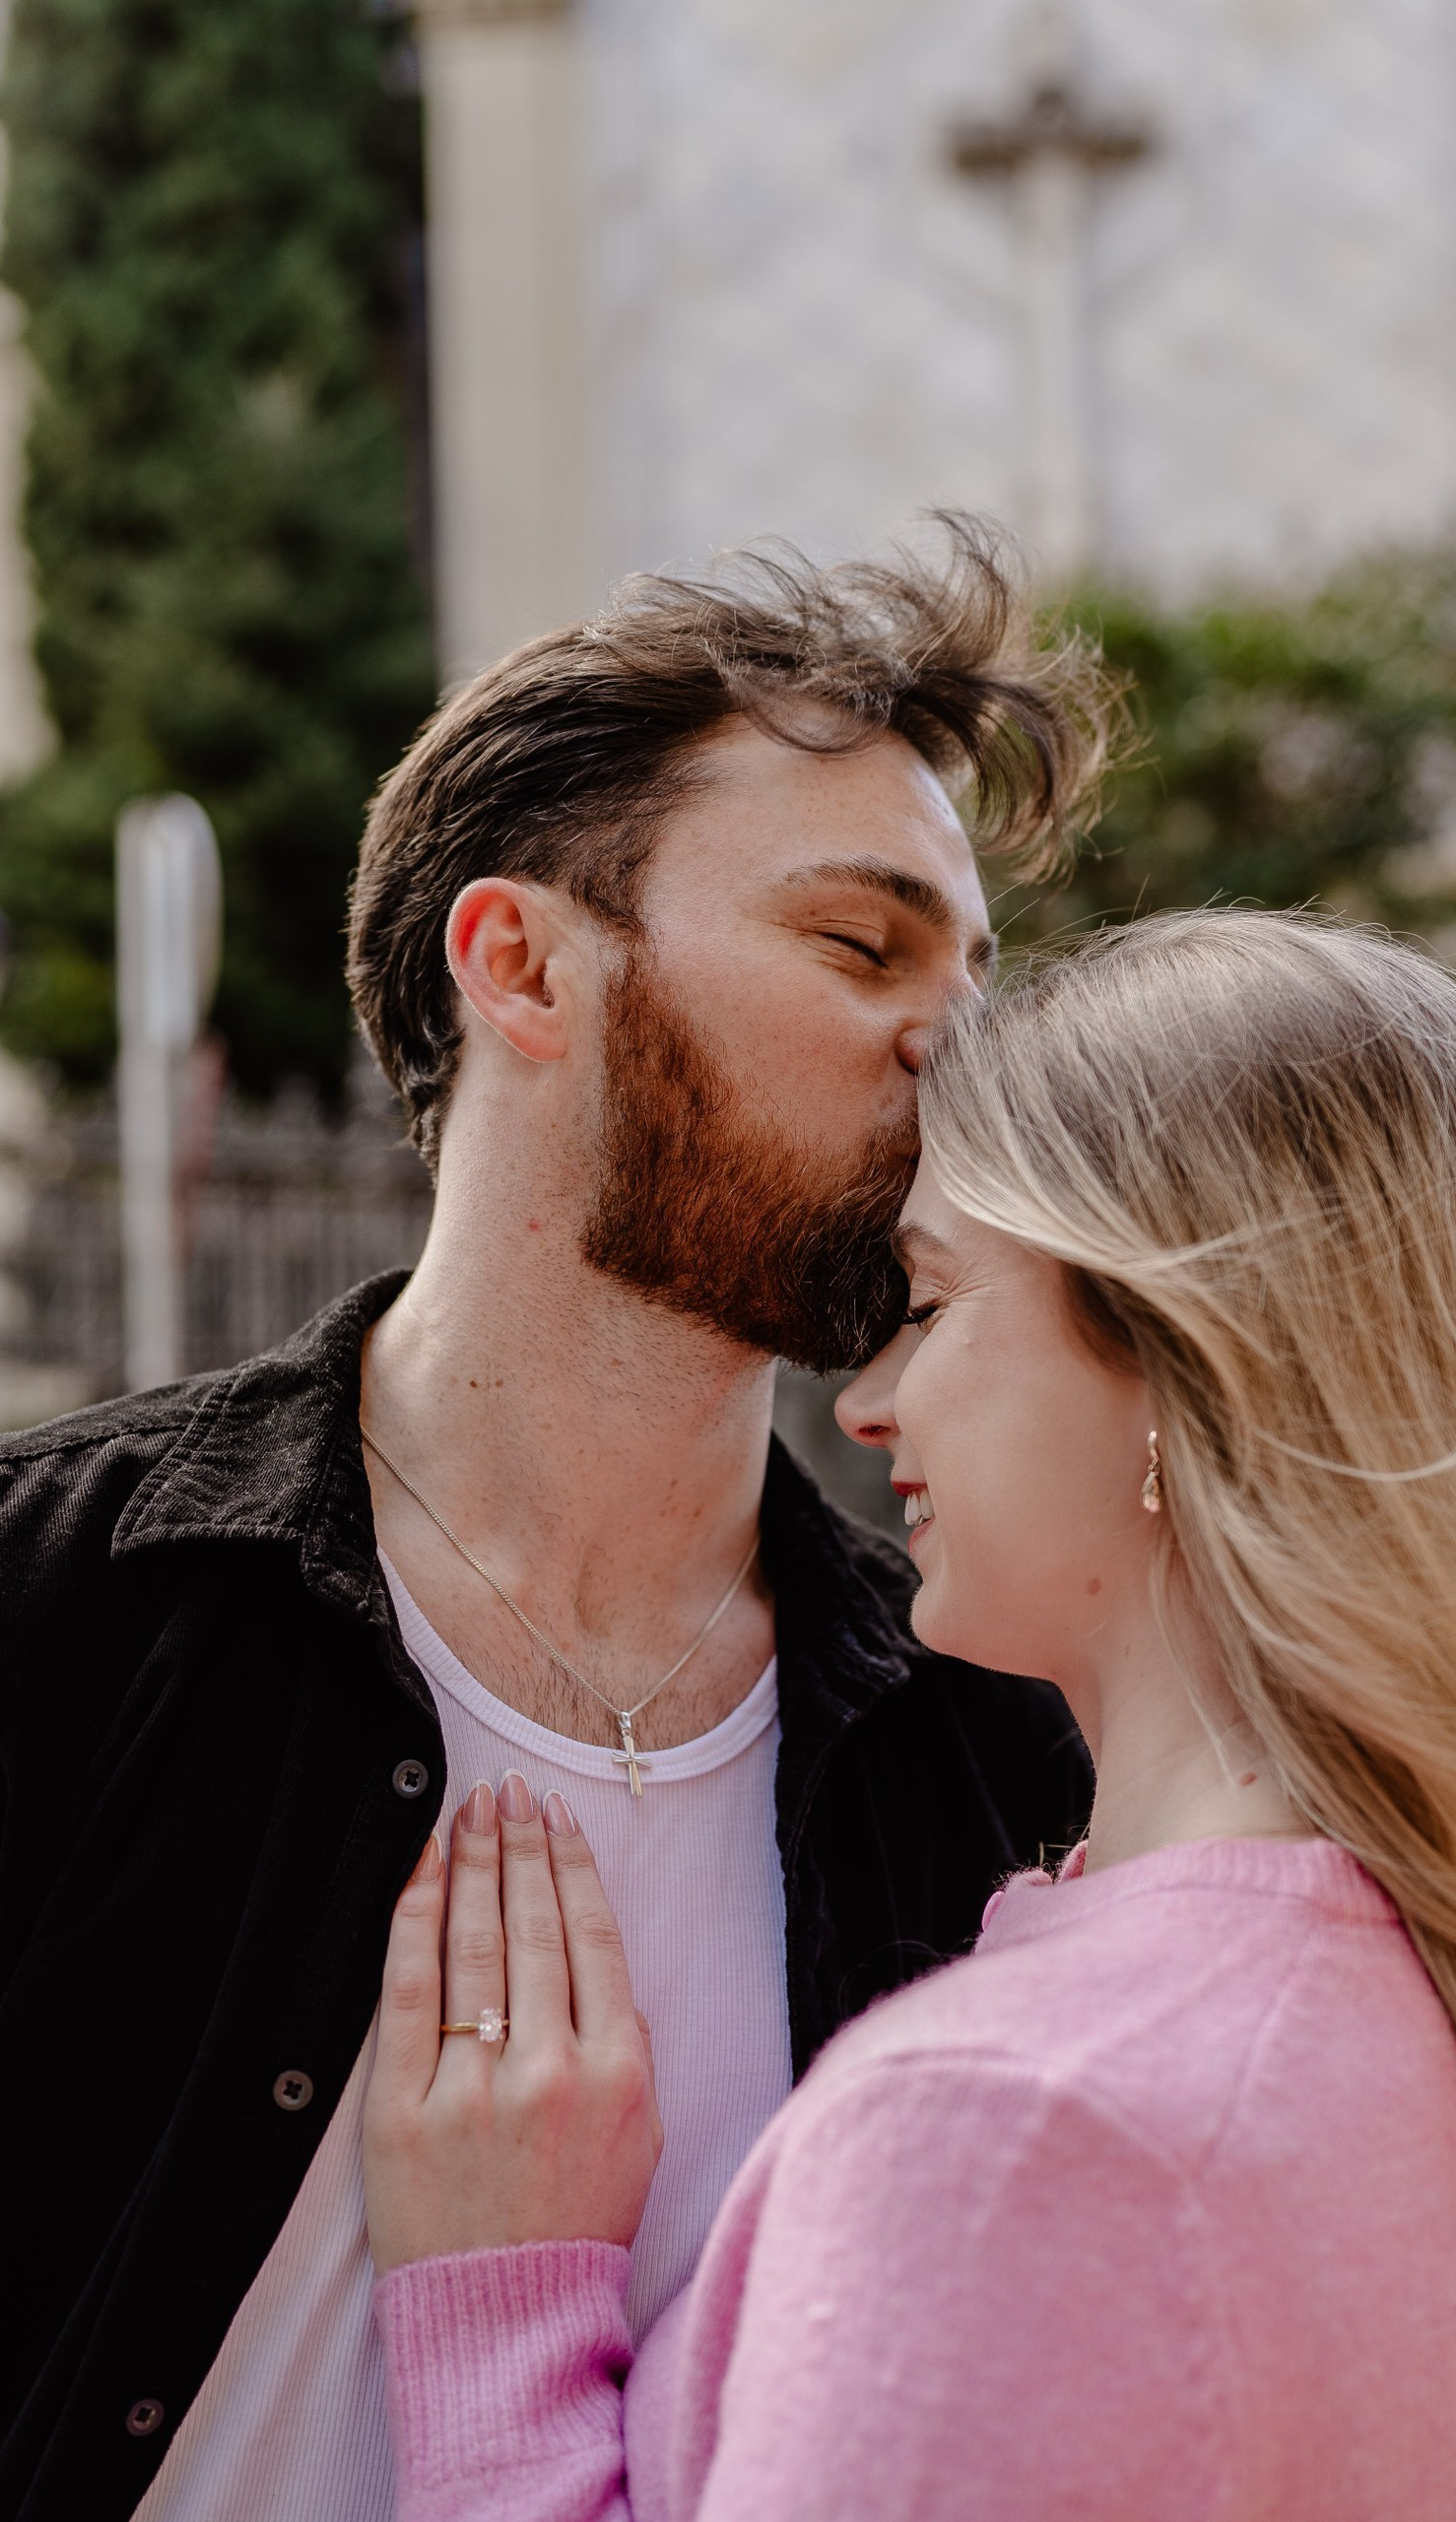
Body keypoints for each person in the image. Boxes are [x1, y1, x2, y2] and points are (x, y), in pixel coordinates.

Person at [0, 521, 1110, 2522]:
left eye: (974, 971)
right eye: (861, 947)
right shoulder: (54, 1607)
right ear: (520, 965)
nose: (958, 1042)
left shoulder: (1004, 1759)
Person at [361, 907, 1456, 2522]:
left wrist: (504, 2309)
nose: (865, 1402)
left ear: (1186, 1365)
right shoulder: (1454, 2001)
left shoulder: (1011, 2135)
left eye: (927, 1302)